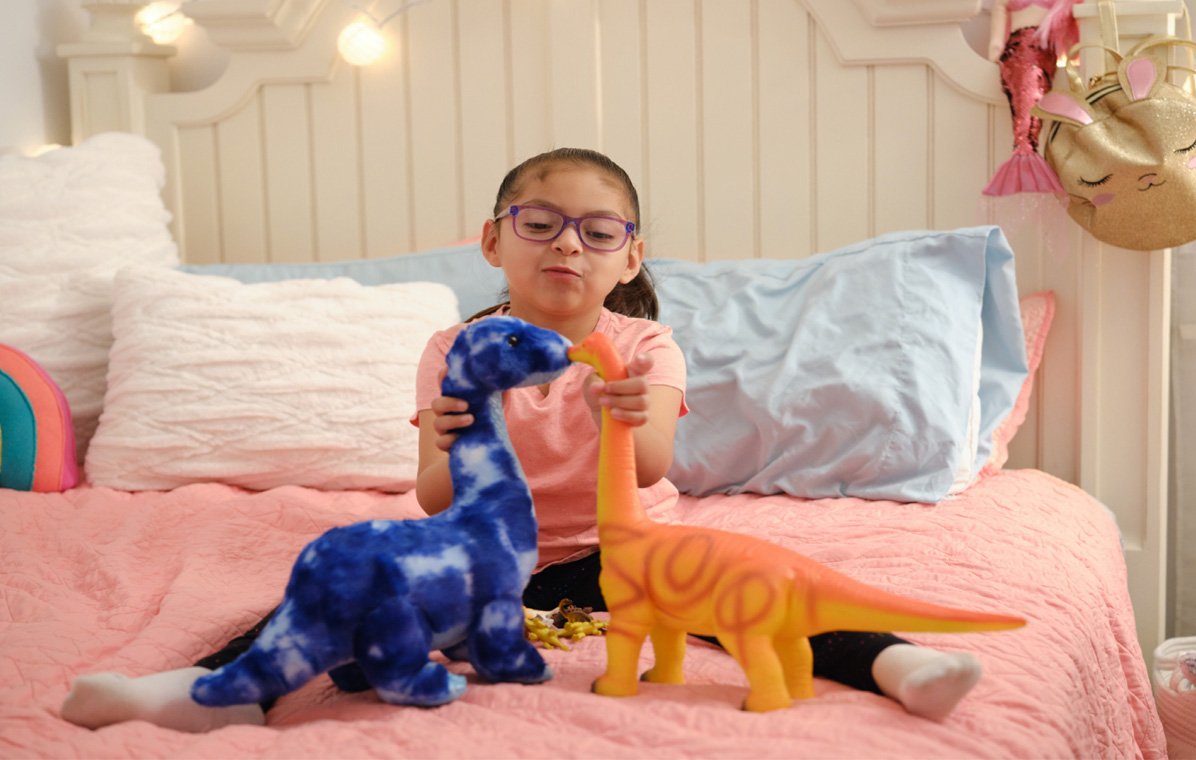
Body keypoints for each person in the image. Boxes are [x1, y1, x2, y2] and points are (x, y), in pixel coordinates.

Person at [60, 148, 982, 733]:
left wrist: (620, 416)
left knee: (747, 594)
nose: (566, 247)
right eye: (539, 225)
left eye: (597, 232)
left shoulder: (643, 345)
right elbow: (429, 498)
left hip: (617, 554)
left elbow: (657, 466)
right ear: (495, 242)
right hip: (484, 559)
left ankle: (900, 663)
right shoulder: (456, 351)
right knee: (340, 582)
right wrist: (450, 445)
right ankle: (208, 690)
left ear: (631, 256)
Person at [982, 0, 1081, 196]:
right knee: (1024, 117)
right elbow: (1000, 9)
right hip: (1017, 49)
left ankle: (1026, 156)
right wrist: (995, 44)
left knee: (1030, 116)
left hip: (1042, 53)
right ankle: (1025, 155)